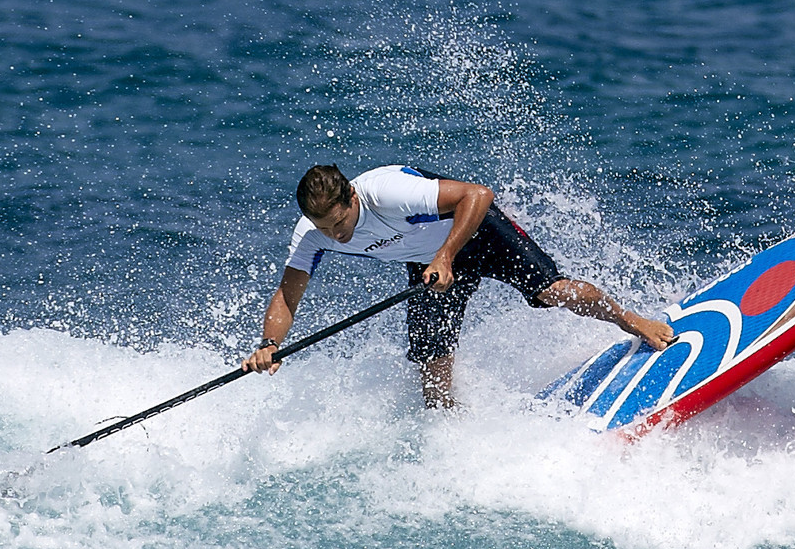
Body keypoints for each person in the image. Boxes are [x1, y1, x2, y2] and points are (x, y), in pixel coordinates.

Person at [243, 164, 676, 407]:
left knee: (552, 292)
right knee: (431, 361)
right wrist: (268, 343)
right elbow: (287, 295)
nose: (338, 236)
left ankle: (631, 320)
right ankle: (448, 431)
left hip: (475, 234)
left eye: (341, 223)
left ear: (352, 199)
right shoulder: (312, 232)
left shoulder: (388, 193)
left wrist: (446, 254)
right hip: (430, 266)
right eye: (325, 228)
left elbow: (477, 194)